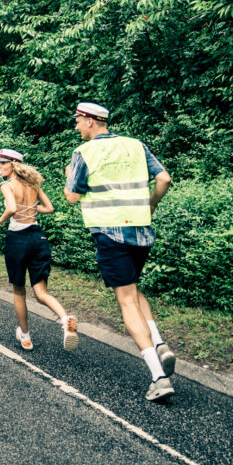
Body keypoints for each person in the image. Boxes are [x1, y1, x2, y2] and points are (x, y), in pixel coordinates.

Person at [64, 102, 176, 404]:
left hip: (110, 233)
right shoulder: (135, 145)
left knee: (125, 300)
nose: (76, 126)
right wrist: (149, 206)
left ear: (89, 121)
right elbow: (164, 179)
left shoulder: (83, 153)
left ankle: (158, 376)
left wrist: (68, 175)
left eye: (77, 121)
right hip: (141, 231)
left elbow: (72, 197)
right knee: (134, 290)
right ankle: (161, 344)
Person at [0, 149, 78, 353]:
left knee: (19, 290)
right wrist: (30, 207)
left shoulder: (7, 185)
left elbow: (11, 208)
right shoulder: (33, 185)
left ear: (13, 165)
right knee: (41, 292)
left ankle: (26, 337)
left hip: (18, 241)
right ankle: (65, 320)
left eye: (3, 163)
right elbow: (49, 208)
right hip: (38, 239)